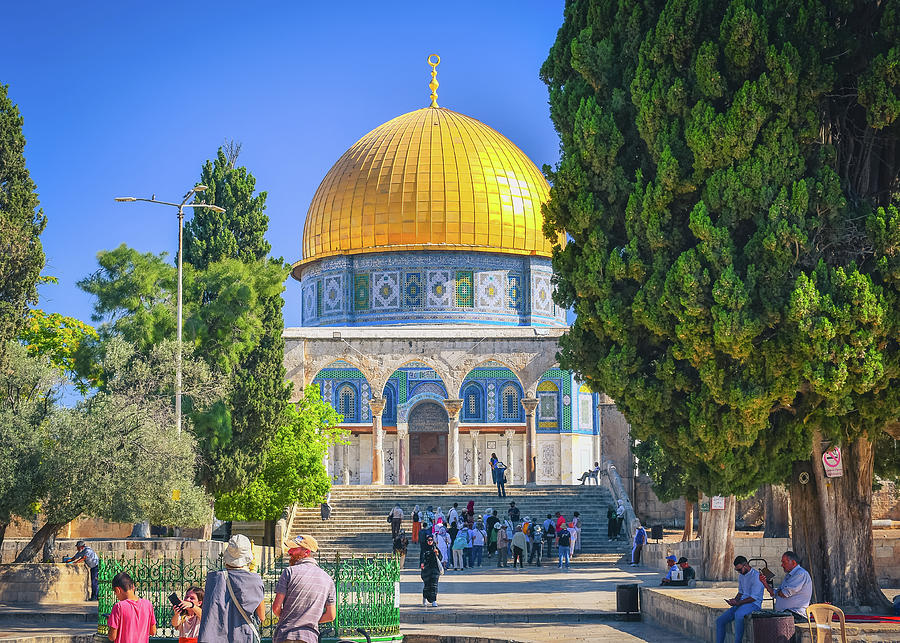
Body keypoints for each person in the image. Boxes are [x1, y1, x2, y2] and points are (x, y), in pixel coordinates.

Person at [197, 534, 265, 643]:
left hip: (217, 638)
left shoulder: (214, 578)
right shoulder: (255, 579)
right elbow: (261, 616)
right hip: (245, 636)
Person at [272, 535, 335, 643]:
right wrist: (309, 620)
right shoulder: (328, 579)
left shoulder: (289, 572)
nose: (289, 552)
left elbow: (276, 608)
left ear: (306, 552)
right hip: (309, 637)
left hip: (286, 635)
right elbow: (331, 615)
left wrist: (291, 619)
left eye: (294, 549)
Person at [716, 556, 764, 643]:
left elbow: (753, 598)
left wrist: (738, 603)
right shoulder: (742, 576)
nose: (738, 572)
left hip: (754, 604)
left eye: (739, 570)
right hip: (741, 603)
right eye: (737, 570)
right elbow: (741, 592)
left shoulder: (756, 576)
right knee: (720, 621)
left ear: (745, 565)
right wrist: (734, 600)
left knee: (738, 614)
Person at [760, 551, 813, 620]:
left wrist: (780, 592)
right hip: (787, 614)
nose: (782, 565)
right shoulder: (789, 575)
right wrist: (765, 583)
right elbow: (776, 594)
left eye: (784, 562)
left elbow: (784, 594)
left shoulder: (801, 574)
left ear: (793, 563)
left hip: (796, 614)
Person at [107, 572, 156, 643]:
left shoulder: (119, 607)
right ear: (133, 587)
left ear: (118, 590)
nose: (117, 597)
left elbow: (112, 637)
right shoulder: (148, 605)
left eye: (115, 593)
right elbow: (153, 631)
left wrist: (111, 623)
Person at [420, 534, 442, 607]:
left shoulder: (435, 548)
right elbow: (422, 557)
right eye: (428, 540)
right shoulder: (424, 548)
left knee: (434, 585)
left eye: (431, 540)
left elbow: (440, 558)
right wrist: (422, 563)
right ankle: (424, 599)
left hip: (435, 570)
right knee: (427, 585)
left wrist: (437, 554)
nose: (430, 542)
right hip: (427, 569)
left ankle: (434, 601)